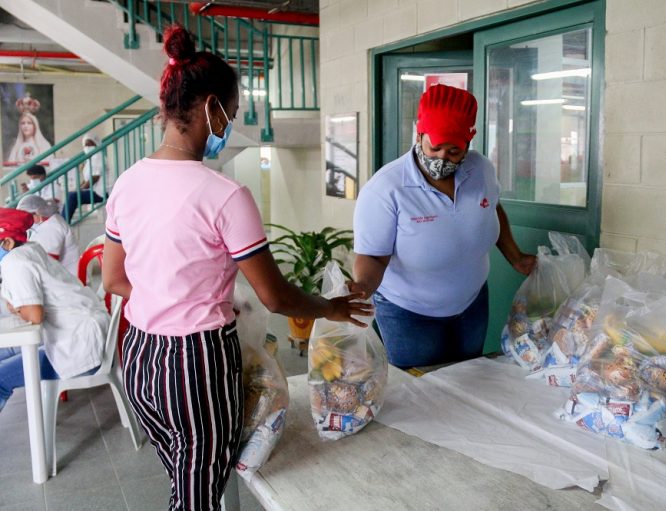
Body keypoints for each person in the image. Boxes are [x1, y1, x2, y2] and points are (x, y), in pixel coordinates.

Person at [101, 25, 371, 511]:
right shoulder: (225, 195)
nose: (232, 122)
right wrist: (329, 307)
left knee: (184, 478)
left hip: (138, 355)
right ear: (211, 107)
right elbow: (274, 296)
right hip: (195, 365)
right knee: (199, 495)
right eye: (233, 112)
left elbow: (115, 279)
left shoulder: (127, 182)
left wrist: (166, 292)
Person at [351, 84, 537, 368]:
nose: (441, 158)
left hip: (472, 303)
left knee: (466, 380)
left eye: (453, 151)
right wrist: (363, 287)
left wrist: (516, 257)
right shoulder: (387, 188)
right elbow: (374, 256)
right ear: (419, 134)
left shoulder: (480, 169)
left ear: (468, 142)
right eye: (434, 147)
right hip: (409, 313)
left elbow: (492, 207)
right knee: (422, 393)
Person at [0, 208, 107, 413]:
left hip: (76, 348)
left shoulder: (15, 262)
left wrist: (19, 308)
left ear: (8, 243)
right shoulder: (30, 249)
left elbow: (35, 315)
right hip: (84, 336)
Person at [16, 194, 79, 276]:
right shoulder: (44, 224)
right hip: (61, 276)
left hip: (69, 280)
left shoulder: (52, 227)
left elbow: (47, 263)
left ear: (37, 213)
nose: (24, 221)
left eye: (26, 216)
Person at [63, 133, 107, 222]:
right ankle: (62, 221)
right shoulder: (90, 158)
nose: (87, 147)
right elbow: (87, 180)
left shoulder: (97, 156)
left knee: (73, 196)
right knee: (72, 194)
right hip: (95, 191)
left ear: (96, 144)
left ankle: (63, 222)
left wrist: (80, 189)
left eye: (90, 144)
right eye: (85, 145)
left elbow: (94, 178)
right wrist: (78, 188)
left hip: (102, 193)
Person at [6, 99, 53, 165]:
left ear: (35, 125)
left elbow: (50, 164)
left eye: (29, 123)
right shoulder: (16, 147)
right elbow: (10, 166)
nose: (26, 126)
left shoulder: (44, 145)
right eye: (23, 123)